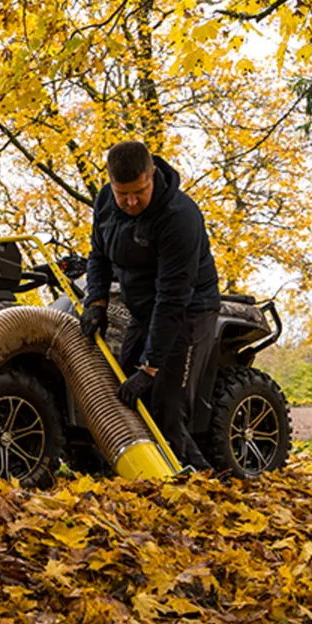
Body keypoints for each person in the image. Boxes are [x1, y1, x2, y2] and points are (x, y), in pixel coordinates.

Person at [79, 141, 220, 471]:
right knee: (122, 391)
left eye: (139, 192)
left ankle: (206, 484)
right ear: (111, 184)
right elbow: (98, 255)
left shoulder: (179, 218)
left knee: (166, 408)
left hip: (189, 311)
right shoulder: (105, 201)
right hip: (144, 310)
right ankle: (147, 475)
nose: (130, 202)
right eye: (121, 193)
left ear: (152, 176)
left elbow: (172, 298)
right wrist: (96, 301)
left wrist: (150, 368)